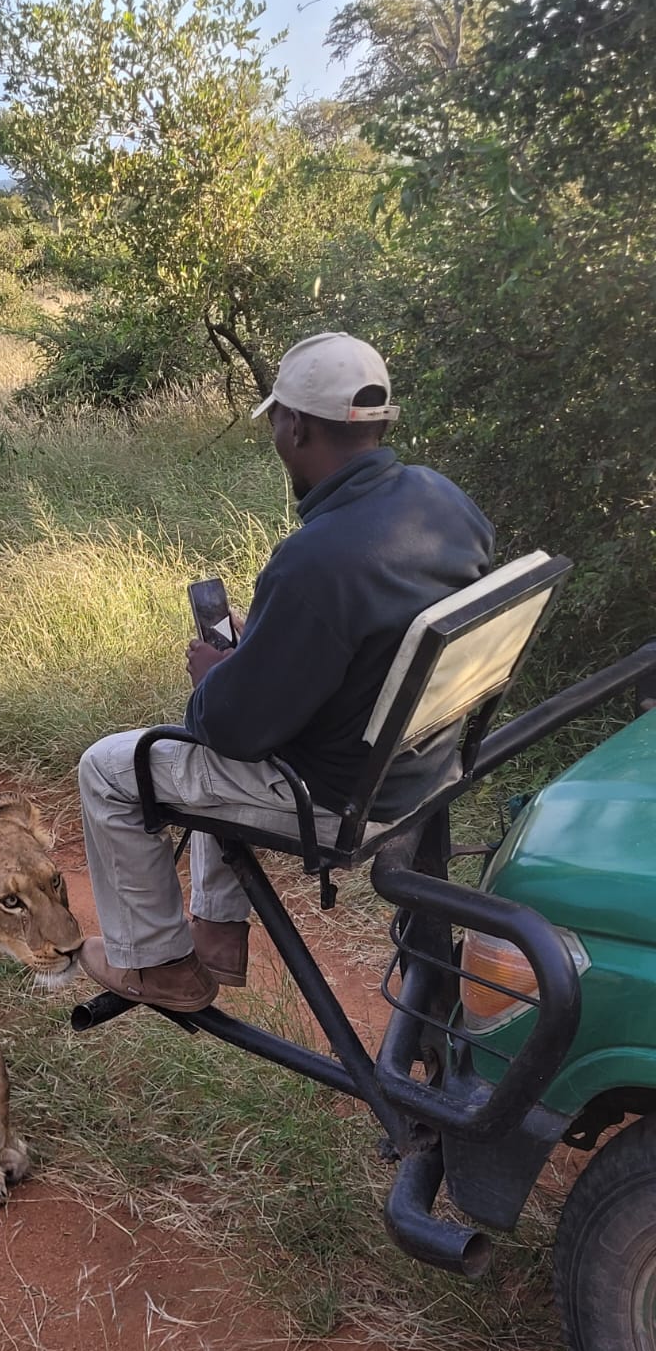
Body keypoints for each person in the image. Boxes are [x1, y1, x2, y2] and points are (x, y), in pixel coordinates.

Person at [77, 330, 495, 1012]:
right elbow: (373, 636)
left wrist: (216, 674)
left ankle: (159, 967)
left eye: (276, 419)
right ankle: (215, 930)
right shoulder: (442, 500)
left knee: (110, 766)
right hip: (423, 759)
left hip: (339, 799)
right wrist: (264, 650)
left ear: (295, 426)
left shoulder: (316, 560)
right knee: (239, 698)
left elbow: (229, 731)